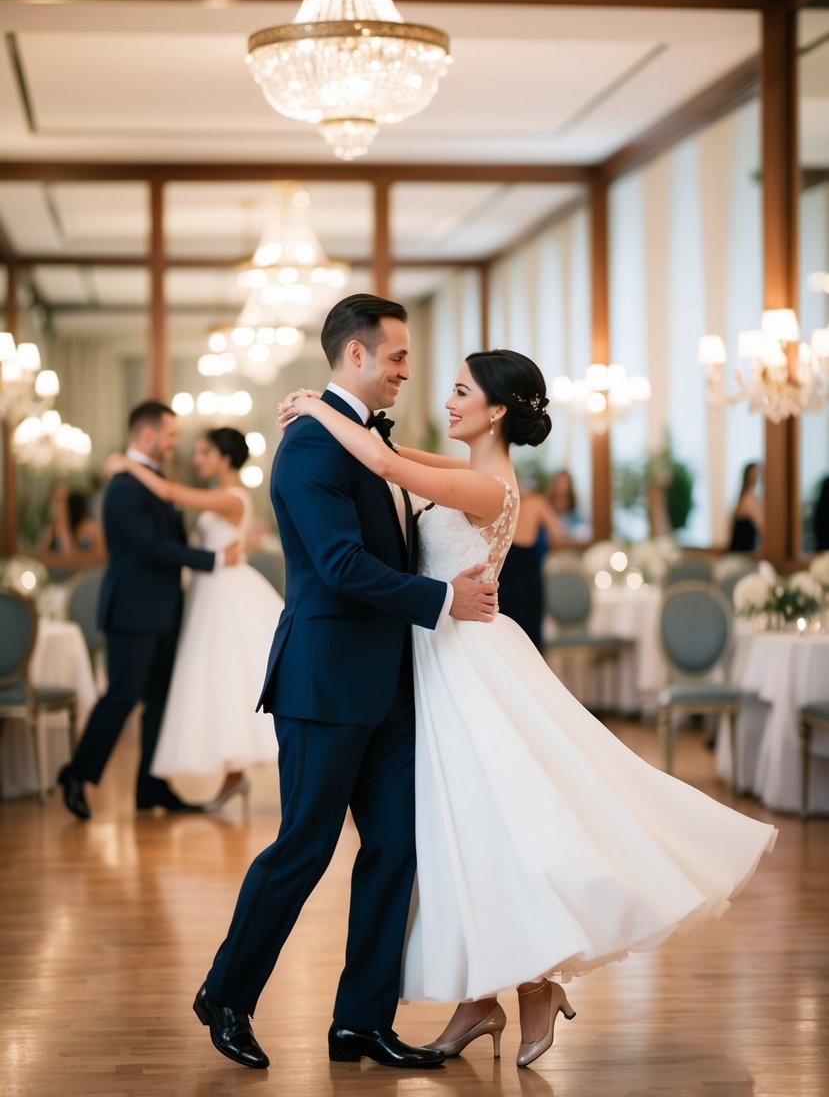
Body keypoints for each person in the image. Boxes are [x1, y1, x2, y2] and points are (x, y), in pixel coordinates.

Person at [283, 348, 777, 1070]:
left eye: (459, 393)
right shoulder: (472, 471)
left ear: (495, 413)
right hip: (439, 657)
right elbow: (396, 451)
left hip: (468, 666)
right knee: (464, 836)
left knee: (495, 827)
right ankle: (486, 997)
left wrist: (319, 409)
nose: (446, 401)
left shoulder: (486, 487)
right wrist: (342, 418)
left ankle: (530, 981)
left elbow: (388, 467)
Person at [193, 295, 498, 1072]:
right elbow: (338, 567)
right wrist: (441, 600)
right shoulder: (308, 450)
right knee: (304, 846)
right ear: (354, 357)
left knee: (396, 847)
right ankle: (226, 993)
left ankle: (359, 1020)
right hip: (323, 683)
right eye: (395, 358)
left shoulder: (364, 441)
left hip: (391, 685)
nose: (406, 371)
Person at [57, 401, 241, 822]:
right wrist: (213, 559)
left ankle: (150, 787)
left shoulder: (154, 480)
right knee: (121, 698)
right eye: (171, 435)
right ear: (147, 435)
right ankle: (76, 774)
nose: (175, 443)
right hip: (132, 612)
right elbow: (151, 548)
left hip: (165, 609)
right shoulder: (123, 486)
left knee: (160, 701)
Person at [103, 427, 282, 812]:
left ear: (223, 458)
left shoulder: (229, 496)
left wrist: (126, 465)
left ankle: (236, 775)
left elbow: (168, 493)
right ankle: (233, 777)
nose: (196, 459)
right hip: (206, 589)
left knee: (226, 679)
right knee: (216, 681)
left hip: (224, 592)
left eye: (204, 453)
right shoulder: (226, 497)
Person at [498, 485, 565, 649]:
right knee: (529, 627)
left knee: (505, 628)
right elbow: (558, 535)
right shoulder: (537, 503)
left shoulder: (499, 501)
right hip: (527, 568)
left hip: (503, 567)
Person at [33, 482, 106, 567]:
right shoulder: (53, 529)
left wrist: (63, 519)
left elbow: (70, 558)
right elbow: (37, 556)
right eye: (55, 500)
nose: (56, 506)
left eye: (61, 501)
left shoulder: (93, 528)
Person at [728, 461, 763, 552]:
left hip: (742, 552)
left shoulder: (744, 498)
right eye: (755, 475)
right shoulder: (749, 500)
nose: (757, 478)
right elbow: (762, 528)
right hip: (743, 553)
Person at [547, 468, 590, 540]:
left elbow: (583, 530)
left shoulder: (575, 514)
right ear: (554, 484)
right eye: (560, 482)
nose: (562, 486)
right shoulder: (546, 507)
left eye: (565, 483)